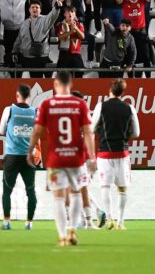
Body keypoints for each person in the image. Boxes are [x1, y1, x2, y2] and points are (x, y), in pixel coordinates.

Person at [27, 71, 96, 246]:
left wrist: (30, 150)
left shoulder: (47, 104)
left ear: (55, 84)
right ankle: (72, 230)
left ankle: (63, 236)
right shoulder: (80, 104)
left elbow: (37, 131)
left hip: (56, 159)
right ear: (70, 84)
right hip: (76, 159)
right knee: (76, 193)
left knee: (58, 197)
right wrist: (92, 157)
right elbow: (88, 132)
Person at [91, 79, 140, 230]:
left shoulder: (101, 106)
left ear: (110, 90)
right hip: (122, 152)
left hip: (105, 152)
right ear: (123, 92)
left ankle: (110, 219)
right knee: (122, 188)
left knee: (105, 186)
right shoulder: (129, 108)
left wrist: (100, 131)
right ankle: (121, 222)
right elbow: (136, 133)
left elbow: (92, 128)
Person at [102, 0, 155, 78]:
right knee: (129, 57)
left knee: (147, 57)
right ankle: (131, 79)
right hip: (129, 34)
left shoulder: (142, 1)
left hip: (142, 33)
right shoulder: (124, 2)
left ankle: (148, 78)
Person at [0, 84, 37, 231]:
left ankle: (6, 222)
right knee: (30, 190)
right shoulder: (35, 112)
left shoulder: (9, 110)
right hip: (29, 156)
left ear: (17, 95)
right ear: (29, 96)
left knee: (7, 190)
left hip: (12, 156)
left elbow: (1, 130)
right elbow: (38, 132)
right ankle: (29, 223)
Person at [13, 0, 61, 78]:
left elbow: (52, 15)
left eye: (37, 7)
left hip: (40, 57)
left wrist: (56, 7)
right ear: (29, 10)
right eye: (32, 7)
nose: (34, 9)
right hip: (26, 57)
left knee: (38, 80)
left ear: (40, 10)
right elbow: (19, 39)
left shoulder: (45, 20)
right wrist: (14, 51)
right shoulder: (24, 23)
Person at [56, 5, 86, 75]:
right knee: (62, 77)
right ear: (64, 14)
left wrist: (76, 29)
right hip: (64, 54)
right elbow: (59, 37)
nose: (70, 14)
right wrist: (71, 32)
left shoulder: (79, 25)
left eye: (72, 12)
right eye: (68, 12)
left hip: (76, 54)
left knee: (78, 76)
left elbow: (82, 37)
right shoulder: (60, 25)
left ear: (75, 14)